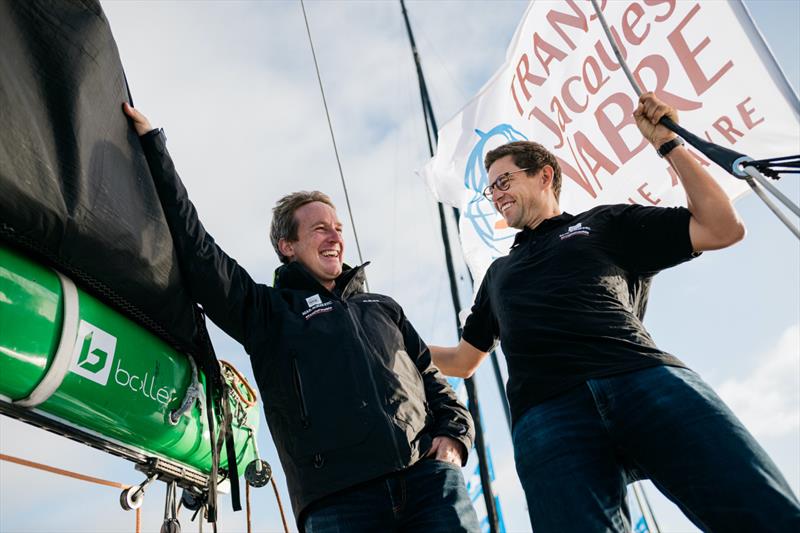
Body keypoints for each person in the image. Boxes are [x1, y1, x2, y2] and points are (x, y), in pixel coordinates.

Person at [430, 92, 800, 532]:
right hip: (547, 415)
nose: (495, 194)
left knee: (762, 511)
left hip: (639, 378)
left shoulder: (603, 223)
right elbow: (464, 361)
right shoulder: (497, 273)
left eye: (503, 181)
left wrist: (669, 145)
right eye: (491, 188)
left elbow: (722, 227)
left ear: (544, 176)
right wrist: (392, 342)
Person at [122, 103, 479, 533]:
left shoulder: (382, 308)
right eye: (319, 229)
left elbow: (431, 379)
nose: (334, 237)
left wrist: (456, 439)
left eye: (338, 228)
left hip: (428, 484)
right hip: (339, 500)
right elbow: (199, 253)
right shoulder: (268, 312)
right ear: (286, 246)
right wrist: (153, 146)